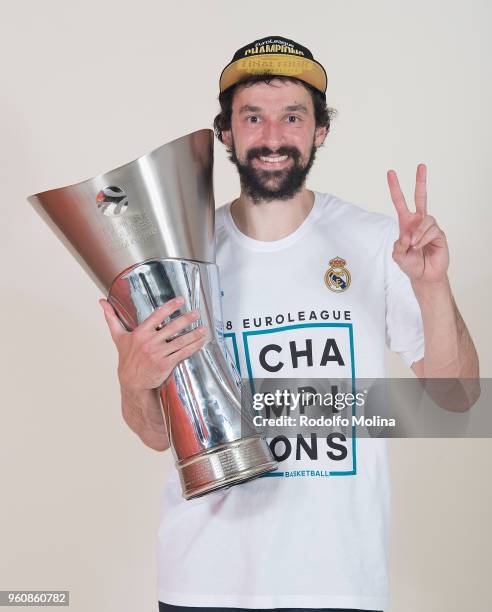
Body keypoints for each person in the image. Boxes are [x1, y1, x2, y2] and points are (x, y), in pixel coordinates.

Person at [99, 36, 479, 612]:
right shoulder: (179, 252)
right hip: (203, 581)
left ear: (319, 130)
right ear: (225, 131)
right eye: (252, 117)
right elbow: (158, 435)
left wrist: (430, 286)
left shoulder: (378, 243)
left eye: (292, 116)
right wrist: (133, 379)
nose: (272, 137)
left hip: (339, 579)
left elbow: (455, 399)